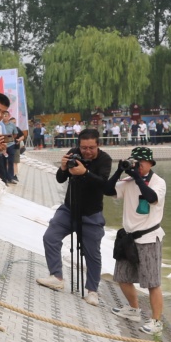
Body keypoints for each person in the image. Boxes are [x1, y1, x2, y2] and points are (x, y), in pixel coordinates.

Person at [36, 129, 114, 306]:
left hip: (91, 213)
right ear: (79, 145)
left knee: (92, 253)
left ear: (98, 145)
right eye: (84, 147)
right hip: (69, 209)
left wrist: (85, 172)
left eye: (91, 148)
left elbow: (103, 185)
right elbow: (60, 179)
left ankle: (92, 291)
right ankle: (56, 276)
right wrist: (63, 167)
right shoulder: (74, 153)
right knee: (50, 237)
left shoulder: (105, 159)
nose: (87, 151)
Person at [108, 146, 166, 334]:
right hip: (128, 237)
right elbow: (107, 190)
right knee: (122, 277)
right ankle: (134, 309)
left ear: (150, 163)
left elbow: (151, 198)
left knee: (152, 282)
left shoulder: (158, 182)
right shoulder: (128, 181)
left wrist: (138, 179)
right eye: (135, 162)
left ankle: (156, 321)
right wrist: (119, 171)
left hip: (149, 238)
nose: (138, 166)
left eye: (141, 163)